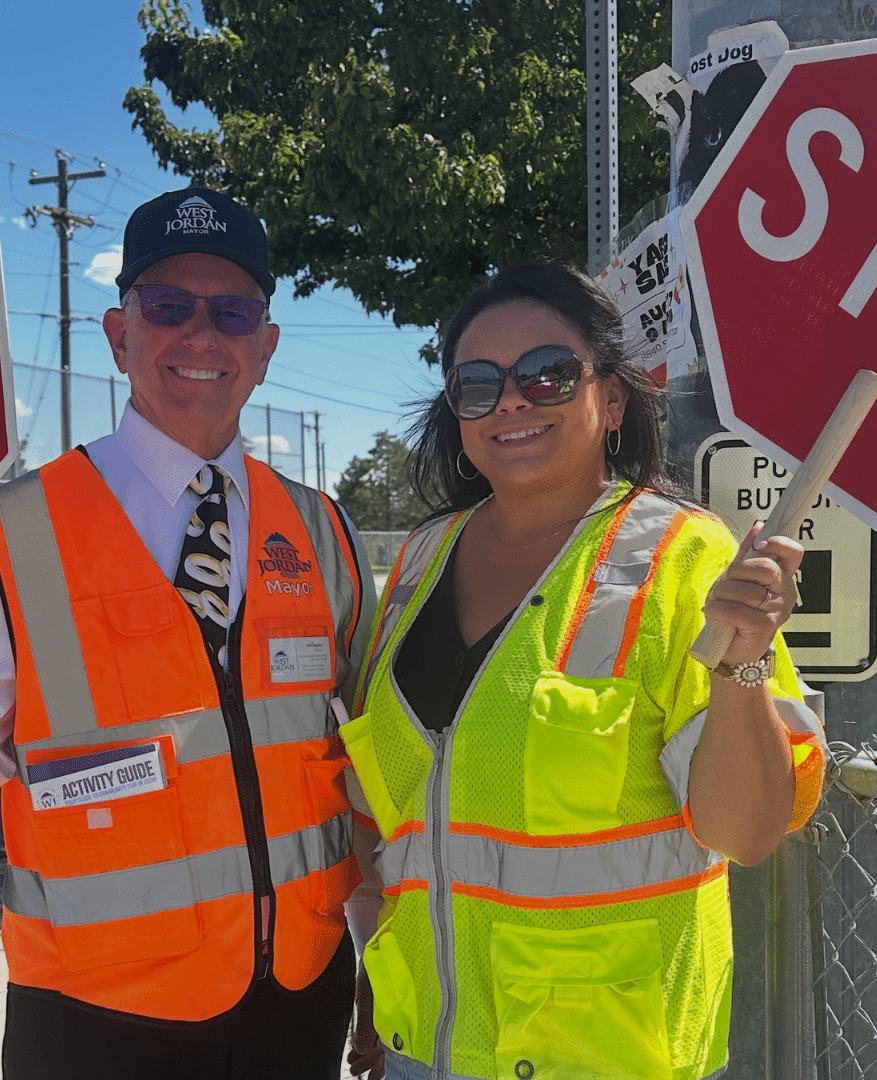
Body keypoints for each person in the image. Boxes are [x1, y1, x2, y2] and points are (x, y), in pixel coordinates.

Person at [341, 264, 826, 1080]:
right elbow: (393, 820)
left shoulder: (686, 560)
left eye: (548, 374)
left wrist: (741, 665)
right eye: (478, 384)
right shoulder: (424, 560)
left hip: (607, 1058)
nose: (513, 402)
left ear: (612, 401)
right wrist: (370, 985)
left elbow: (744, 835)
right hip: (421, 1044)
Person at [0, 186, 378, 1079]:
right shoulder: (17, 534)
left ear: (266, 346)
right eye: (167, 307)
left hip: (299, 997)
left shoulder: (324, 531)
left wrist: (378, 964)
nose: (201, 336)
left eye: (232, 311)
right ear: (119, 333)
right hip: (93, 1021)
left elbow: (360, 775)